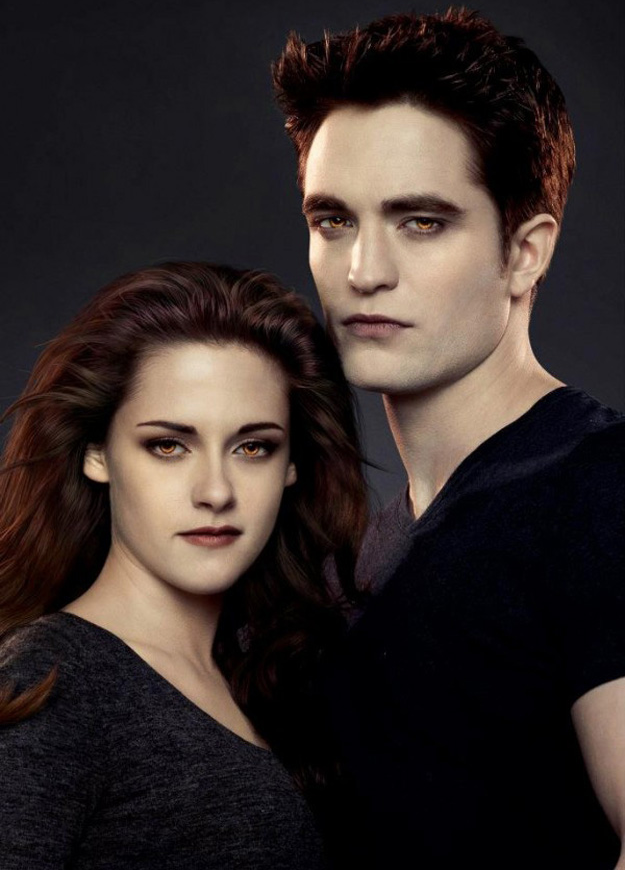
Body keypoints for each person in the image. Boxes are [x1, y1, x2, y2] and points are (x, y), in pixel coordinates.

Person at [272, 7, 625, 869]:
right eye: (333, 221)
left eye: (420, 222)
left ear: (525, 252)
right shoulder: (361, 555)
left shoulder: (601, 489)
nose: (363, 272)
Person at [0, 261, 368, 869]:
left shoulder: (274, 685)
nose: (216, 492)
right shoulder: (51, 681)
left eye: (253, 447)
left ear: (292, 466)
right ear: (97, 452)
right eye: (168, 445)